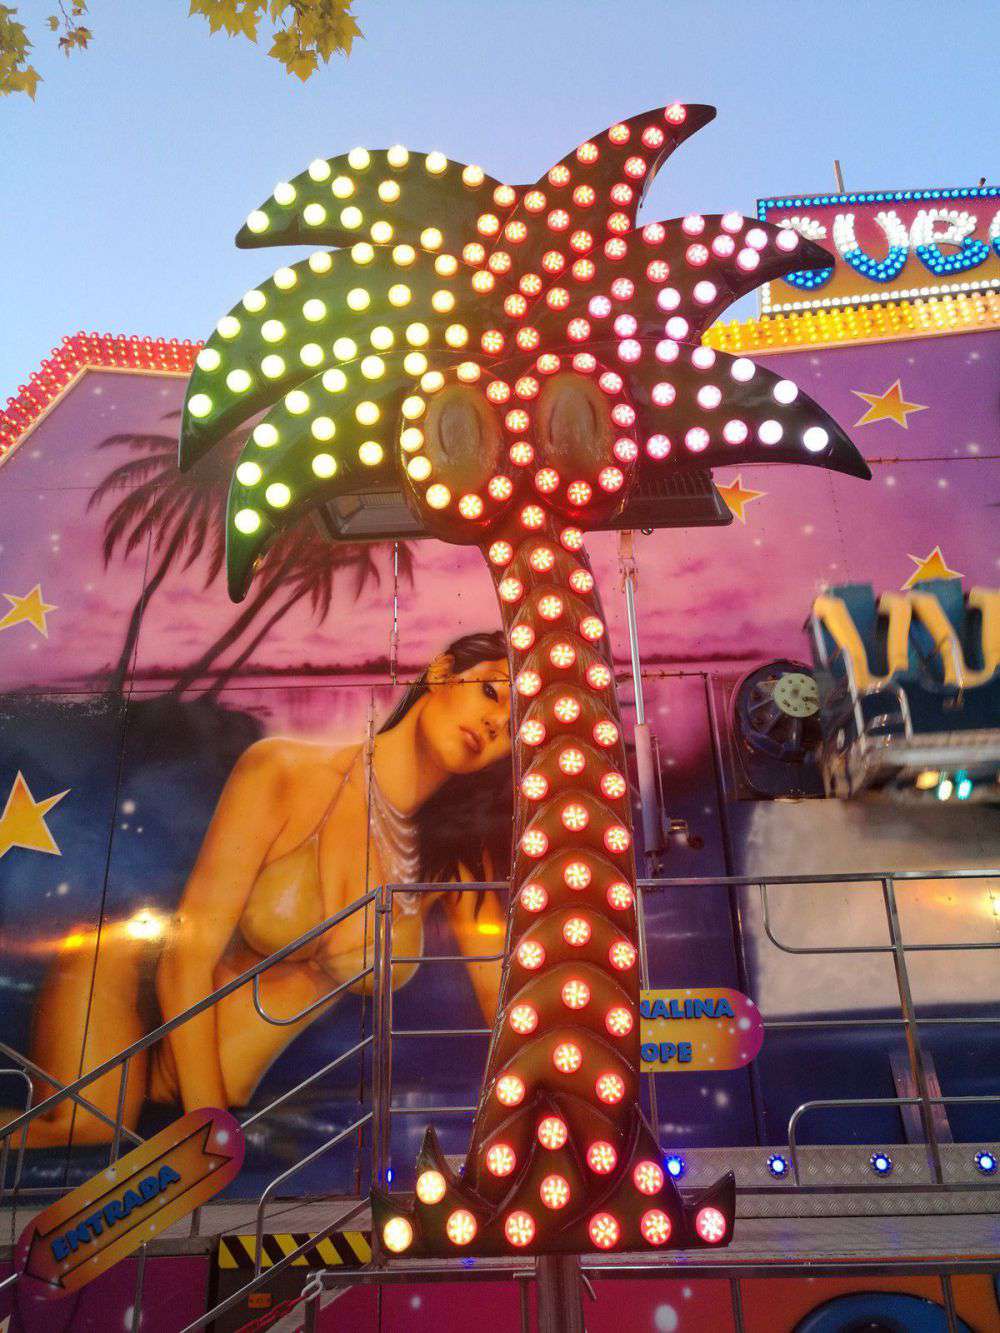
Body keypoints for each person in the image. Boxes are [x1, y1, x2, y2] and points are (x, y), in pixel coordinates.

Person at [11, 632, 511, 1146]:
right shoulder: (285, 772)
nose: (495, 723)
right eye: (491, 692)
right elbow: (186, 956)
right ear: (440, 673)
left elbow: (505, 1000)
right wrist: (209, 1130)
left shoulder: (450, 862)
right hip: (127, 999)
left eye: (513, 728)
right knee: (85, 1129)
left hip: (213, 1104)